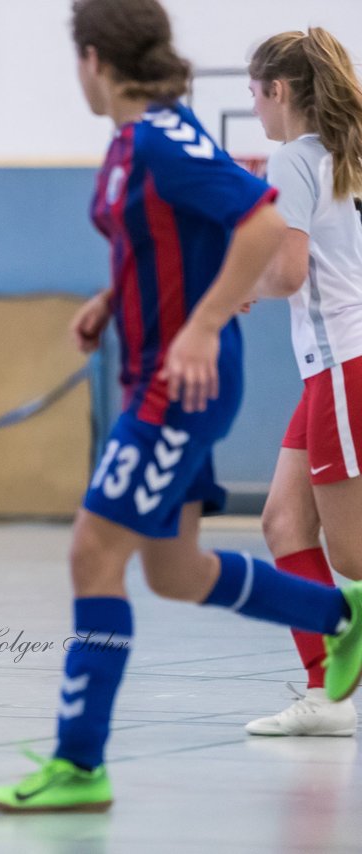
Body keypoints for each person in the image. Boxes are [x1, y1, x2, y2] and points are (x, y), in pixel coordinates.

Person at [0, 0, 362, 812]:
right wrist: (112, 298)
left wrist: (206, 324)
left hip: (176, 385)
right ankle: (336, 614)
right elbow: (168, 242)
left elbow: (260, 229)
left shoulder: (161, 137)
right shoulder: (135, 142)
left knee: (92, 554)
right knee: (176, 570)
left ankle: (80, 766)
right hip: (162, 373)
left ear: (93, 60)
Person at [244, 28, 362, 737]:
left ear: (278, 91)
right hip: (333, 368)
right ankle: (326, 695)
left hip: (343, 363)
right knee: (283, 522)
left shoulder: (293, 159)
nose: (254, 111)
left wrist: (240, 284)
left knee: (352, 554)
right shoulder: (344, 156)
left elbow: (286, 272)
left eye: (254, 97)